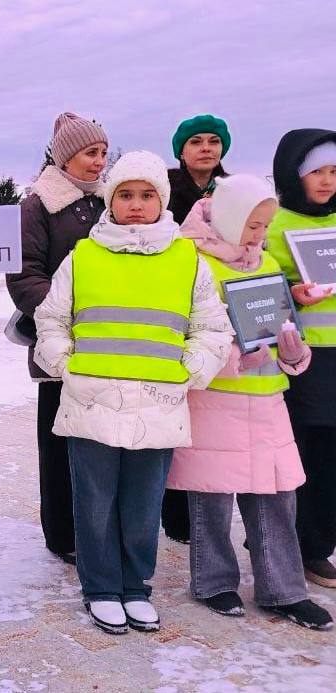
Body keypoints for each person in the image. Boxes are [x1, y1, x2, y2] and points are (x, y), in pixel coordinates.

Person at [34, 151, 232, 634]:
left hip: (157, 404)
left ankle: (136, 586)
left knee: (143, 506)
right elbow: (51, 319)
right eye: (125, 194)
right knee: (94, 503)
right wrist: (65, 365)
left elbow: (211, 327)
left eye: (146, 195)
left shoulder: (186, 259)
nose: (136, 204)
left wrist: (190, 371)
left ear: (161, 200)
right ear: (111, 200)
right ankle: (101, 588)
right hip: (91, 401)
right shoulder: (83, 256)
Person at [167, 174, 332, 631]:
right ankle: (213, 582)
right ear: (228, 217)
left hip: (267, 401)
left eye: (264, 226)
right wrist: (232, 359)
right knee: (212, 496)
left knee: (276, 495)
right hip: (214, 399)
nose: (258, 235)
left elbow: (282, 326)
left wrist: (294, 353)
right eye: (252, 225)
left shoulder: (266, 262)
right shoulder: (192, 262)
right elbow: (185, 335)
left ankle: (284, 590)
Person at [8, 112, 108, 565]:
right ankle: (64, 534)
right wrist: (69, 317)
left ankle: (103, 527)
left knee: (102, 441)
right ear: (66, 157)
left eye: (103, 152)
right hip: (58, 345)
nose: (99, 161)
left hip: (111, 342)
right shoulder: (38, 205)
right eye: (90, 152)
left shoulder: (111, 200)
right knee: (59, 441)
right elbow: (25, 275)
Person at [264, 128, 336, 589]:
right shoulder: (273, 224)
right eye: (316, 172)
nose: (327, 181)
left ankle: (317, 542)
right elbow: (254, 290)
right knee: (301, 451)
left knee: (330, 454)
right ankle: (293, 542)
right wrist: (292, 295)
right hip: (300, 359)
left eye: (334, 171)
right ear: (294, 174)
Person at [161, 114, 232, 544]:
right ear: (181, 151)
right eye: (196, 142)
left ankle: (210, 509)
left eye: (213, 141)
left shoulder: (233, 192)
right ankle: (175, 514)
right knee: (176, 414)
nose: (206, 148)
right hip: (176, 307)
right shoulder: (165, 191)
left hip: (220, 307)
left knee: (214, 421)